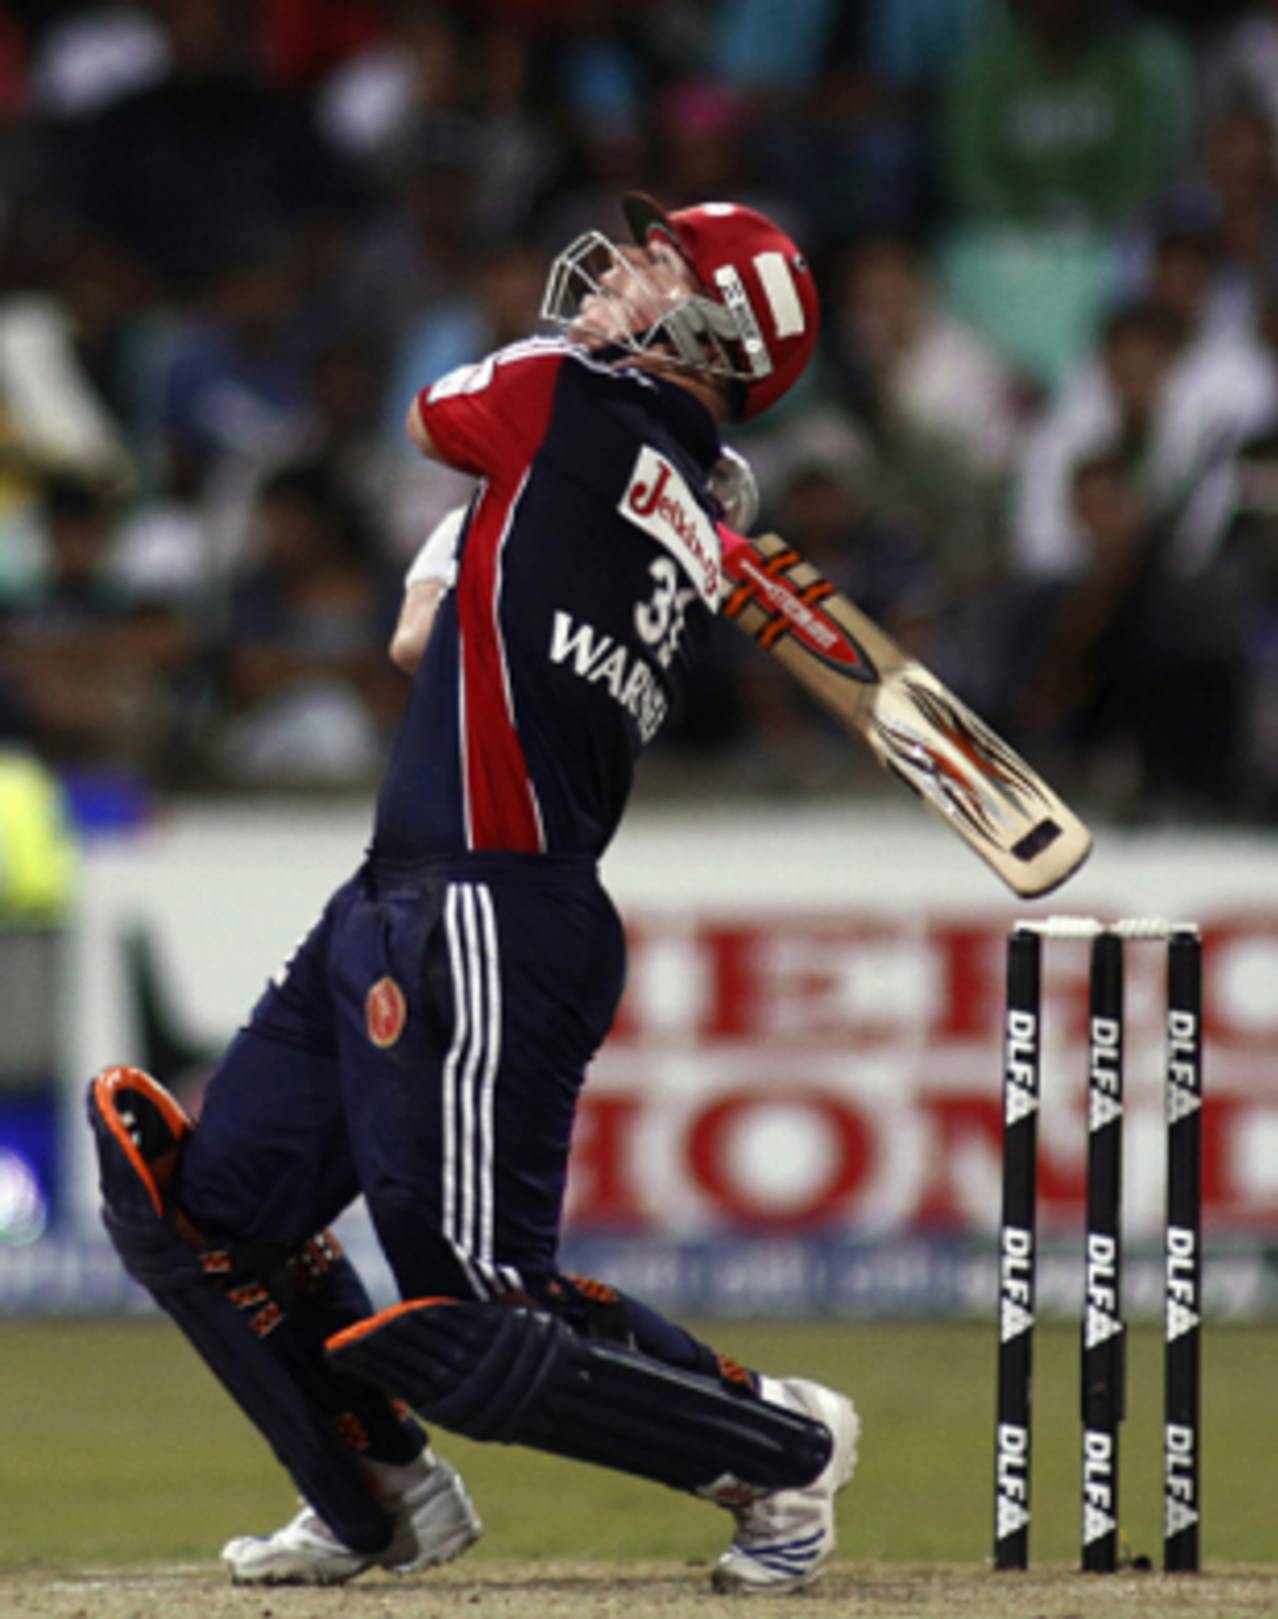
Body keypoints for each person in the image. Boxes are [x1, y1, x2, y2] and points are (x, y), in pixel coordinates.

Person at [87, 193, 859, 1594]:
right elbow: (423, 638)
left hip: (493, 910)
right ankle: (377, 1494)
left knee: (471, 1317)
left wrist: (573, 435)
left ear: (721, 331)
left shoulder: (566, 396)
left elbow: (435, 412)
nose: (618, 268)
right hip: (402, 892)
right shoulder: (645, 489)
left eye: (659, 263)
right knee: (195, 1207)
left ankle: (777, 1454)